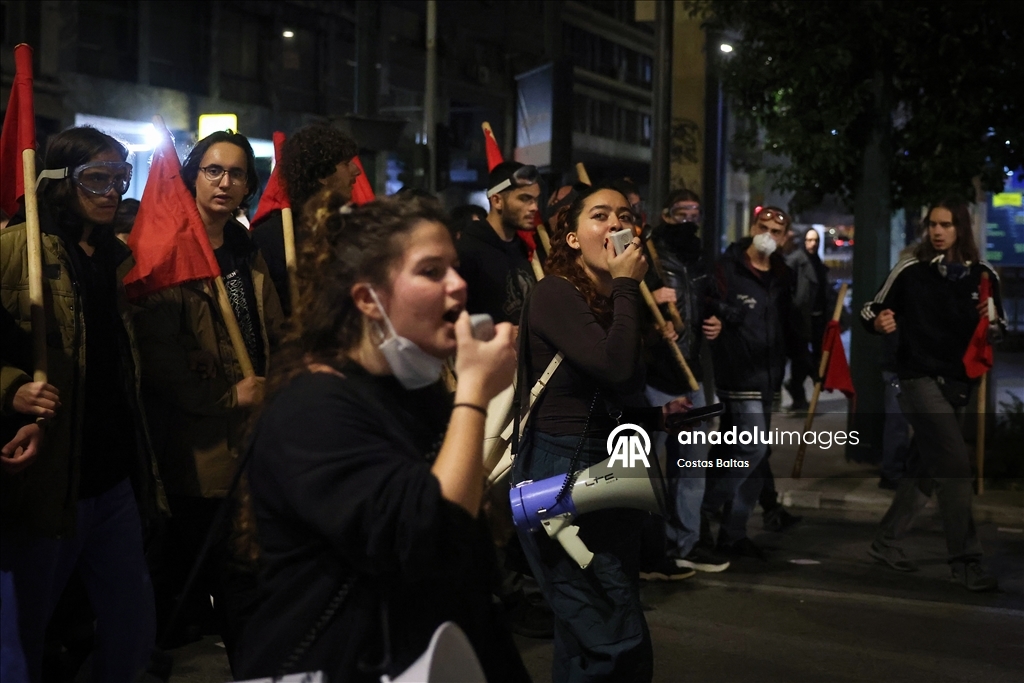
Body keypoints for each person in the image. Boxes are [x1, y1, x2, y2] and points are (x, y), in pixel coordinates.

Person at [234, 192, 528, 681]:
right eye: (432, 272)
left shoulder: (411, 387)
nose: (458, 285)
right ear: (369, 299)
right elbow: (430, 538)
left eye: (455, 268)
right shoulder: (311, 408)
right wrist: (475, 391)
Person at [0, 127, 164, 682]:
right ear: (59, 183)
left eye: (121, 177)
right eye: (97, 178)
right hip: (46, 482)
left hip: (113, 477)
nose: (112, 190)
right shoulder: (13, 251)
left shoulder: (115, 257)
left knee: (133, 632)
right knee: (22, 639)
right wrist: (11, 387)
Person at [512, 185, 691, 682]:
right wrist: (628, 289)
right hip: (560, 470)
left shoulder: (607, 298)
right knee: (614, 633)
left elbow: (627, 385)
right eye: (599, 215)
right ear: (571, 237)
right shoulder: (554, 293)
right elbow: (613, 369)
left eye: (624, 215)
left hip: (604, 464)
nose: (616, 223)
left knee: (587, 629)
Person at [133, 131, 284, 666]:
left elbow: (271, 327)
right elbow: (159, 357)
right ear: (192, 176)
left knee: (247, 574)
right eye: (213, 171)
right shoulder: (167, 249)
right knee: (186, 572)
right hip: (196, 446)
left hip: (253, 437)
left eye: (237, 173)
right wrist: (227, 395)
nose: (226, 182)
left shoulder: (247, 248)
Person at [862, 200, 1005, 592]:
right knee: (955, 468)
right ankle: (966, 562)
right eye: (932, 224)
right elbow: (870, 307)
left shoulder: (983, 274)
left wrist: (991, 327)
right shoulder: (910, 270)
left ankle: (886, 541)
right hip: (917, 379)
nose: (937, 231)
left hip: (959, 383)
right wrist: (880, 321)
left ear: (962, 228)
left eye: (946, 224)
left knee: (926, 469)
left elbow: (999, 325)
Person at [701, 206, 799, 559]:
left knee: (749, 457)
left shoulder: (783, 275)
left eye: (776, 230)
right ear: (752, 226)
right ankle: (705, 506)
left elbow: (790, 324)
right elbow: (705, 303)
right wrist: (720, 321)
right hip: (738, 374)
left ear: (785, 237)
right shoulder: (727, 268)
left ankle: (733, 533)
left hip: (769, 376)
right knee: (753, 449)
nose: (768, 234)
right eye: (763, 227)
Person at [641, 189, 730, 579]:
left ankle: (686, 545)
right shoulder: (648, 255)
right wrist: (651, 317)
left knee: (692, 465)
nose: (689, 220)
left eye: (695, 213)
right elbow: (623, 304)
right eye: (682, 213)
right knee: (647, 470)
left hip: (691, 372)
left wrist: (717, 321)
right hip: (657, 375)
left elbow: (712, 301)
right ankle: (646, 550)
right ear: (665, 214)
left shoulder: (700, 258)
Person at [251, 124, 360, 316]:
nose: (356, 170)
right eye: (345, 163)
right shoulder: (272, 237)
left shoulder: (352, 228)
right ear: (322, 175)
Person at [456, 161, 540, 325]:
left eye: (536, 200)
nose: (534, 207)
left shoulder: (525, 249)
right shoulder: (466, 251)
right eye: (525, 199)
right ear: (497, 201)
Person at [785, 227, 830, 411]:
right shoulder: (796, 260)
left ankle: (798, 393)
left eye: (816, 240)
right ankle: (798, 390)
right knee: (802, 357)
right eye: (809, 240)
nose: (813, 244)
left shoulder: (816, 262)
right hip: (801, 318)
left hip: (817, 318)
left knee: (812, 356)